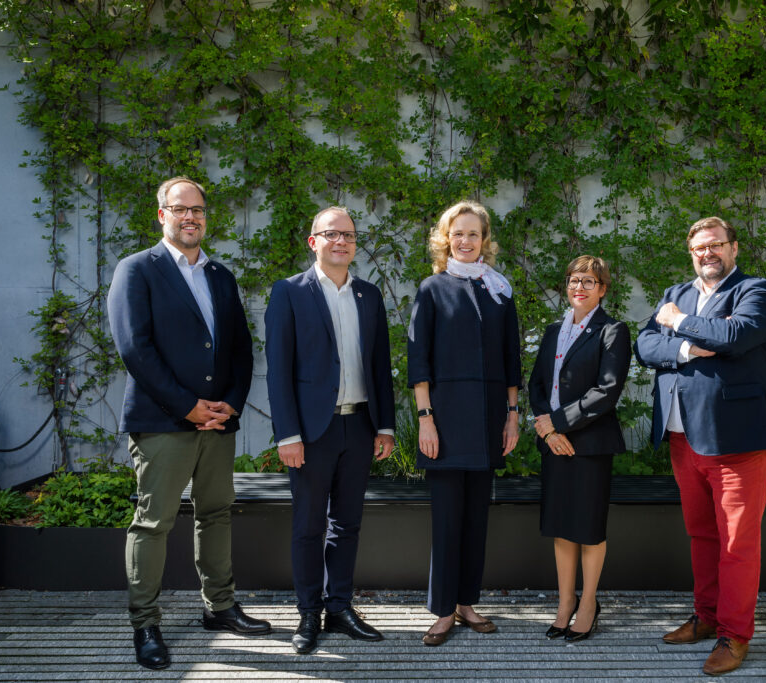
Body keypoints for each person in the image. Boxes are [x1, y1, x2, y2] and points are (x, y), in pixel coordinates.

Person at [108, 176, 270, 671]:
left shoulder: (221, 275)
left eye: (198, 209)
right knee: (153, 522)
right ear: (162, 214)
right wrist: (187, 406)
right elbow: (135, 348)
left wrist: (230, 403)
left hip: (218, 422)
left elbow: (241, 347)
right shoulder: (137, 270)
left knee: (215, 514)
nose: (190, 217)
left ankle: (219, 607)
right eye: (180, 208)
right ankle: (146, 623)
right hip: (163, 422)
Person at [634, 216, 766, 676]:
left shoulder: (756, 291)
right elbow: (644, 343)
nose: (708, 253)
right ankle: (707, 616)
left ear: (734, 248)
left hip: (736, 441)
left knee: (737, 542)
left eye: (716, 245)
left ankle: (734, 634)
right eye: (699, 248)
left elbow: (736, 336)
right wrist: (683, 348)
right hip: (684, 436)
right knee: (702, 534)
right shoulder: (675, 292)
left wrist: (680, 324)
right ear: (690, 252)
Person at [264, 206, 396, 654]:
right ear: (313, 241)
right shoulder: (289, 293)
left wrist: (385, 426)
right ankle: (308, 613)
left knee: (348, 524)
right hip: (311, 433)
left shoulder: (369, 295)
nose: (342, 242)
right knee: (307, 526)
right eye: (332, 234)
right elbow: (278, 372)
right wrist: (287, 434)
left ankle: (339, 607)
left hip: (359, 426)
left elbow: (380, 367)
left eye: (350, 236)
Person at [407, 201, 521, 646]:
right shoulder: (432, 288)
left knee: (476, 518)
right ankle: (441, 610)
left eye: (474, 234)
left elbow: (512, 359)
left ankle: (467, 603)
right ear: (445, 238)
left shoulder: (499, 290)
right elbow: (419, 360)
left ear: (485, 240)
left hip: (490, 417)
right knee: (447, 518)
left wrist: (512, 419)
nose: (466, 241)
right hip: (446, 421)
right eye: (459, 233)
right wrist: (425, 420)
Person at [528, 255, 631, 643]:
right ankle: (564, 603)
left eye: (589, 282)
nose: (579, 288)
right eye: (573, 280)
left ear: (602, 289)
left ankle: (588, 603)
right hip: (554, 443)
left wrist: (559, 423)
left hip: (589, 444)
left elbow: (606, 391)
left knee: (587, 529)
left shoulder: (613, 331)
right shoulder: (555, 331)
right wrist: (547, 429)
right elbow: (537, 384)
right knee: (561, 528)